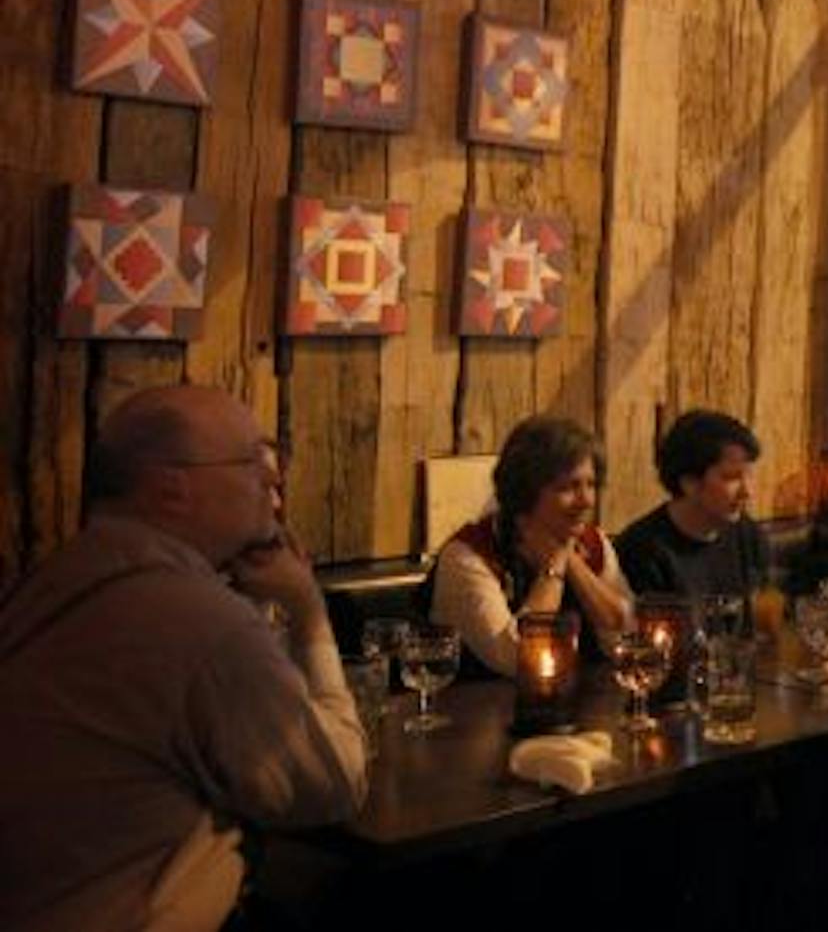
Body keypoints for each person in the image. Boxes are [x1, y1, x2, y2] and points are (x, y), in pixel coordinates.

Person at [0, 385, 367, 932]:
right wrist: (309, 611)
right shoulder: (197, 621)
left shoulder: (57, 578)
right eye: (251, 462)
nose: (273, 482)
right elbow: (335, 785)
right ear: (172, 488)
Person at [429, 415, 633, 675]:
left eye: (591, 485)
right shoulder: (467, 557)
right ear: (525, 492)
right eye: (569, 487)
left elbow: (628, 639)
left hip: (576, 708)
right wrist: (555, 566)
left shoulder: (592, 543)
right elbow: (518, 659)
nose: (587, 501)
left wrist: (571, 562)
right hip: (476, 710)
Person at [614, 409, 771, 601]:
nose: (747, 492)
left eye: (749, 475)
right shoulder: (642, 551)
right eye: (731, 477)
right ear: (690, 483)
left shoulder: (749, 537)